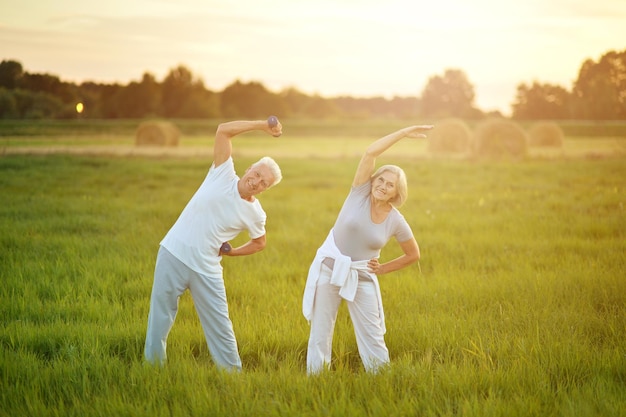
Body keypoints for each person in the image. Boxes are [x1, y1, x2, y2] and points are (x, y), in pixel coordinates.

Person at [144, 118, 283, 371]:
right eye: (258, 174)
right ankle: (153, 371)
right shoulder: (222, 173)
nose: (257, 181)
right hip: (173, 253)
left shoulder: (256, 214)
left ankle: (233, 377)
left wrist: (232, 252)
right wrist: (263, 125)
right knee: (160, 319)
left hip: (207, 269)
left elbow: (260, 242)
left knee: (221, 326)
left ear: (266, 189)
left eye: (265, 183)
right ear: (250, 167)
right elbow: (223, 130)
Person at [302, 124, 433, 374]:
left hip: (362, 275)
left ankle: (382, 381)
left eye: (390, 185)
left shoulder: (396, 220)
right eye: (381, 180)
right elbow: (371, 153)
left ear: (396, 193)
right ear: (373, 181)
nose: (383, 186)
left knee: (373, 336)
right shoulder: (359, 192)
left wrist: (383, 268)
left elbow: (413, 254)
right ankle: (316, 382)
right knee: (320, 334)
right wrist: (404, 133)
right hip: (330, 269)